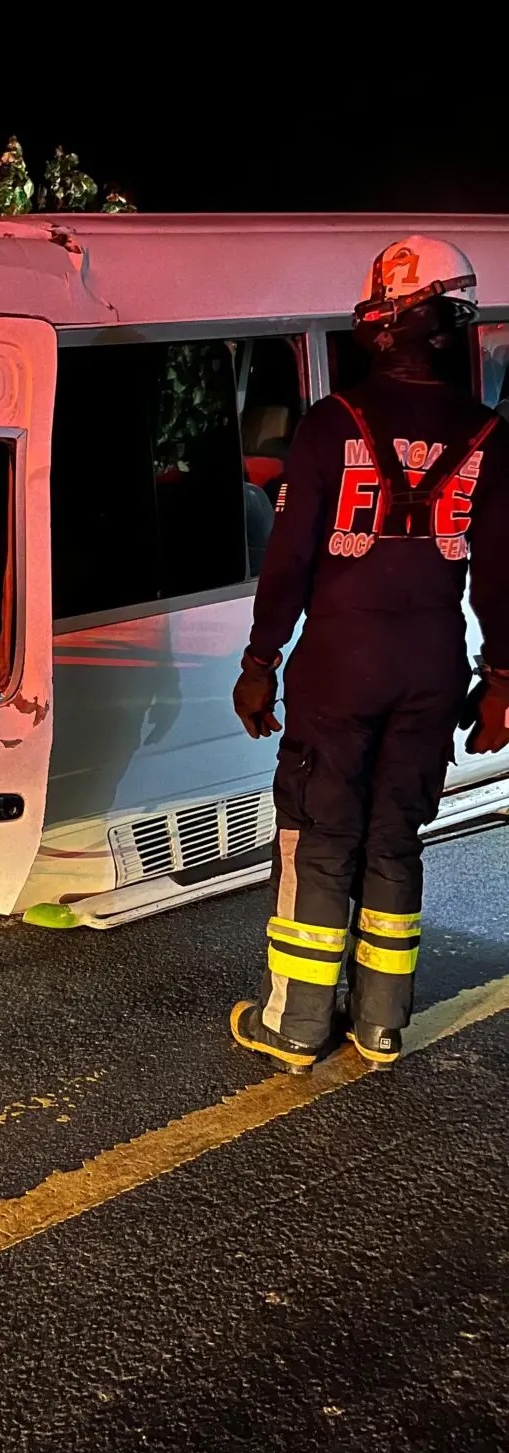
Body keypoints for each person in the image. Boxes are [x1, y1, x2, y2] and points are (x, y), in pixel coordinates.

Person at [229, 236, 509, 1073]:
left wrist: (259, 662)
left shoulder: (332, 423)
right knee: (393, 841)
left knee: (320, 838)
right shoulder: (490, 435)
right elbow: (501, 573)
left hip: (339, 670)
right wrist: (500, 681)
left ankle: (296, 1026)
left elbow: (288, 561)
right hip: (431, 669)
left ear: (392, 322)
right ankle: (381, 1026)